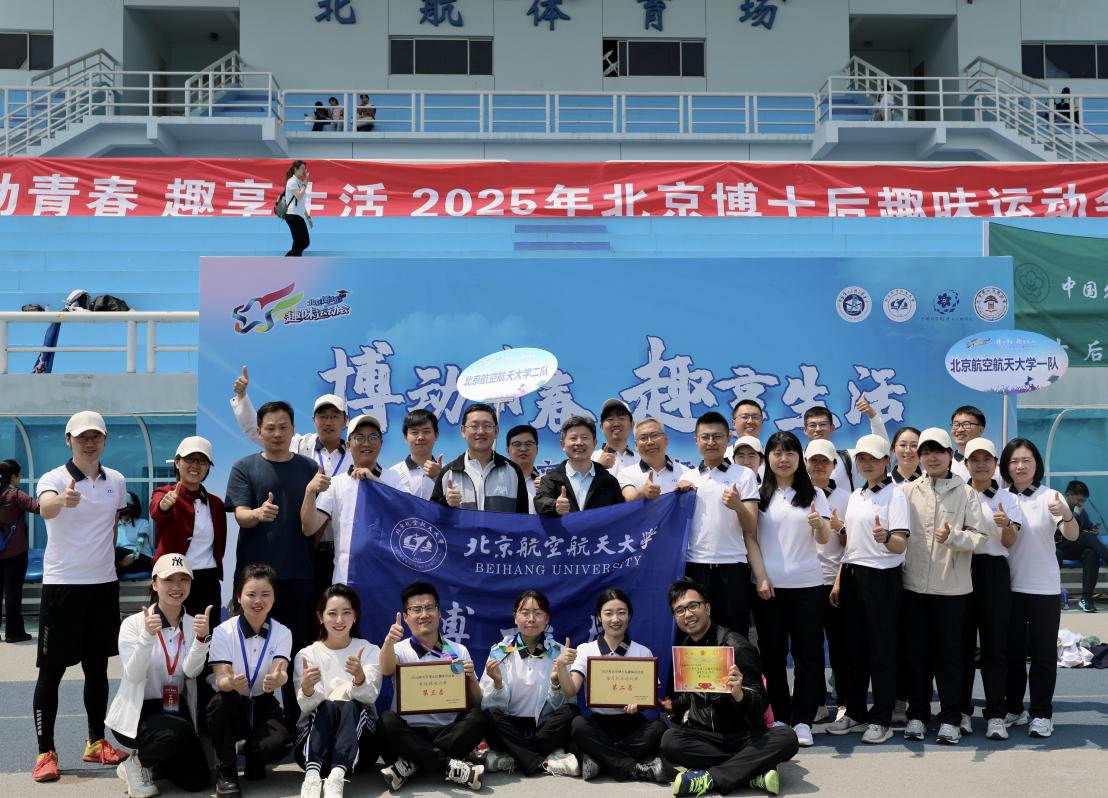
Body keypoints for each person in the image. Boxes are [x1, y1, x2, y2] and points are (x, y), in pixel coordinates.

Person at [32, 410, 131, 782]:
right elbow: (44, 507)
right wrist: (62, 500)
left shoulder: (116, 480)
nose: (89, 443)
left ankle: (95, 742)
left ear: (104, 440)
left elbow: (112, 524)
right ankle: (45, 752)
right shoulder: (54, 478)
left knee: (98, 668)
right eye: (82, 437)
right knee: (51, 672)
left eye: (95, 437)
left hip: (103, 585)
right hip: (62, 585)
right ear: (68, 440)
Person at [225, 400, 319, 725]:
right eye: (270, 428)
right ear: (259, 431)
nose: (277, 434)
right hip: (255, 583)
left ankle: (297, 724)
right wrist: (257, 513)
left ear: (293, 430)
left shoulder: (309, 468)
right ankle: (250, 727)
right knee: (247, 652)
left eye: (283, 427)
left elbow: (316, 521)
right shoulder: (245, 467)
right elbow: (240, 515)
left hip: (299, 575)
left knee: (297, 652)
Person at [662, 578, 798, 797]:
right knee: (670, 741)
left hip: (743, 736)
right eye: (680, 610)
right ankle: (751, 772)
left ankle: (710, 778)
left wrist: (739, 694)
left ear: (707, 608)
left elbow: (760, 702)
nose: (687, 614)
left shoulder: (736, 646)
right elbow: (694, 693)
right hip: (705, 736)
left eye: (693, 606)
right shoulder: (686, 648)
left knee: (787, 737)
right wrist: (673, 705)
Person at [898, 428, 986, 745]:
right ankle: (918, 715)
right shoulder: (908, 491)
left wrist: (953, 537)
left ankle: (950, 718)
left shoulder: (966, 493)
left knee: (950, 658)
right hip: (913, 588)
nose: (931, 457)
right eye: (925, 452)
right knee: (916, 657)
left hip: (952, 591)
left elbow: (980, 537)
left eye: (938, 451)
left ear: (950, 455)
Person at [232, 377, 351, 597]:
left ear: (345, 420)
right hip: (306, 548)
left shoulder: (355, 455)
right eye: (323, 416)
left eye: (335, 416)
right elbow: (255, 429)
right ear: (313, 420)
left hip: (341, 547)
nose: (328, 422)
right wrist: (242, 398)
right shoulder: (299, 444)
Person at [827, 434, 910, 744]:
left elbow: (900, 543)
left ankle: (881, 718)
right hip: (852, 575)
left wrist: (886, 537)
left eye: (873, 458)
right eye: (862, 458)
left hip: (882, 578)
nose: (866, 463)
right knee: (855, 651)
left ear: (886, 461)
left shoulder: (895, 494)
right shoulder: (856, 495)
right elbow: (852, 543)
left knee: (882, 652)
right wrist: (840, 579)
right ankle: (856, 711)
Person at [107, 554, 212, 797]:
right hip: (138, 711)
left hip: (172, 705)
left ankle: (156, 760)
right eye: (168, 580)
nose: (177, 587)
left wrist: (201, 641)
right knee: (178, 733)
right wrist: (147, 637)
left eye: (183, 579)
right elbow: (134, 675)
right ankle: (136, 764)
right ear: (155, 584)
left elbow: (190, 671)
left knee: (197, 780)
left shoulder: (193, 623)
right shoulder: (134, 624)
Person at [752, 432, 831, 748]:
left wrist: (819, 524)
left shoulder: (815, 494)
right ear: (767, 458)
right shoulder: (759, 495)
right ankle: (780, 717)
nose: (783, 459)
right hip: (768, 589)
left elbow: (824, 539)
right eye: (777, 453)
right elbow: (750, 538)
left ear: (800, 458)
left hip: (808, 586)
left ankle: (803, 720)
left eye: (790, 453)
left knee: (808, 656)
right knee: (772, 656)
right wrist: (760, 576)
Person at [1000, 439, 1079, 738]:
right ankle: (1014, 708)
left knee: (1043, 655)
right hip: (1008, 587)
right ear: (1005, 466)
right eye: (1014, 461)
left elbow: (1071, 534)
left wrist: (1066, 513)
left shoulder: (1050, 497)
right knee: (1012, 654)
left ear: (1036, 465)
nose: (1020, 466)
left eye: (1026, 460)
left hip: (1043, 587)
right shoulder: (1001, 497)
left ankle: (1042, 713)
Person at [378, 582, 487, 792]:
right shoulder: (398, 649)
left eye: (429, 608)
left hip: (448, 732)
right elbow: (385, 669)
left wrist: (471, 679)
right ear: (406, 616)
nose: (424, 614)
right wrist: (388, 642)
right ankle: (448, 765)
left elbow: (476, 702)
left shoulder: (457, 651)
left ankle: (410, 764)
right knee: (386, 722)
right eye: (416, 609)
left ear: (439, 612)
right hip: (408, 732)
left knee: (479, 718)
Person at [565, 588, 673, 783]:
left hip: (631, 723)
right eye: (608, 613)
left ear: (629, 615)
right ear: (599, 617)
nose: (615, 619)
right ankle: (635, 769)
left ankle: (600, 760)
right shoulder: (585, 650)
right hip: (598, 724)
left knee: (658, 728)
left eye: (621, 612)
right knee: (578, 725)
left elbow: (650, 696)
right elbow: (571, 690)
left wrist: (639, 704)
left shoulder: (642, 652)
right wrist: (561, 667)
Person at [207, 564, 293, 796]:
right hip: (232, 700)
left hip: (262, 700)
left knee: (279, 743)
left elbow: (280, 670)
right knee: (219, 704)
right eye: (251, 594)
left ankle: (254, 752)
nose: (258, 601)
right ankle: (226, 770)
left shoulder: (282, 632)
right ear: (239, 596)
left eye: (265, 594)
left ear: (274, 597)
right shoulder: (223, 631)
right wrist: (230, 683)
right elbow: (221, 678)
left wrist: (278, 679)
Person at [675, 411, 762, 637]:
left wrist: (738, 506)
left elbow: (751, 526)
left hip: (733, 567)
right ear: (696, 440)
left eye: (717, 436)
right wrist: (677, 496)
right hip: (695, 566)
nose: (711, 442)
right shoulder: (687, 478)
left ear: (729, 438)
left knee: (734, 635)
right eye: (705, 437)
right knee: (695, 633)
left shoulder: (744, 475)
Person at [293, 584, 383, 798]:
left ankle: (336, 777)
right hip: (313, 750)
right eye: (332, 613)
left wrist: (360, 678)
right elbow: (306, 706)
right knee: (327, 706)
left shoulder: (369, 650)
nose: (339, 620)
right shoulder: (307, 655)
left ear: (355, 616)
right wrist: (307, 689)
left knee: (352, 705)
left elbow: (370, 696)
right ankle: (312, 776)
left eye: (346, 613)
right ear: (320, 616)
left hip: (359, 752)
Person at [959, 437, 1022, 741]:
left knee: (995, 647)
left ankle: (996, 713)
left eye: (987, 459)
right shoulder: (958, 494)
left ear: (996, 464)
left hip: (994, 571)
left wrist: (1005, 524)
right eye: (975, 459)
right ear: (966, 464)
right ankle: (961, 711)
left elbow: (1010, 542)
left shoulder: (1007, 498)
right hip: (961, 569)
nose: (981, 465)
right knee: (960, 647)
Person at [478, 590, 580, 777]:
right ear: (515, 618)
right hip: (509, 728)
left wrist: (555, 684)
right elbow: (486, 703)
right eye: (525, 613)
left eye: (538, 613)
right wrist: (498, 684)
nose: (531, 619)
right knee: (489, 715)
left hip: (544, 730)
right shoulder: (499, 652)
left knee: (571, 712)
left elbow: (567, 701)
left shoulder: (559, 653)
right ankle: (543, 762)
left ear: (547, 619)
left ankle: (514, 757)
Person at [301, 414, 403, 585]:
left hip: (386, 578)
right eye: (359, 437)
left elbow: (406, 514)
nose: (366, 443)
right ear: (348, 445)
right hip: (347, 578)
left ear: (381, 443)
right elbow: (309, 528)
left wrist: (376, 482)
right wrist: (309, 491)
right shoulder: (336, 483)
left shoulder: (395, 478)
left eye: (373, 437)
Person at [150, 436, 226, 617]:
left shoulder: (216, 503)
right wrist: (165, 505)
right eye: (190, 459)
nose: (196, 465)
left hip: (207, 579)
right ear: (177, 462)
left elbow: (220, 542)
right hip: (173, 576)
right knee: (169, 629)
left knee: (208, 630)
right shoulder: (164, 493)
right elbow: (157, 511)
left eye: (202, 461)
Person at [804, 439, 849, 720]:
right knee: (809, 648)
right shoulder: (797, 493)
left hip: (835, 581)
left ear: (834, 466)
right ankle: (817, 702)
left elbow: (853, 544)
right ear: (805, 463)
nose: (819, 466)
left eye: (825, 461)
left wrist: (839, 581)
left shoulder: (847, 497)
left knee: (841, 647)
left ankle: (844, 701)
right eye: (814, 460)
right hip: (805, 583)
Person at [431, 403, 528, 513]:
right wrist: (445, 502)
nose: (481, 431)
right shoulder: (448, 473)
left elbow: (523, 518)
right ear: (463, 431)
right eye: (474, 426)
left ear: (496, 432)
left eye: (487, 426)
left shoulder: (513, 471)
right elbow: (433, 516)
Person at [535, 416, 625, 515]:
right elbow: (539, 502)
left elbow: (620, 514)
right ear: (563, 444)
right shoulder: (550, 480)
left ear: (594, 443)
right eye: (573, 438)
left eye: (584, 437)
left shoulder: (609, 482)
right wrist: (554, 505)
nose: (579, 443)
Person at [800, 399, 888, 491]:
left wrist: (873, 416)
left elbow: (881, 447)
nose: (818, 429)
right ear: (805, 430)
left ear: (832, 428)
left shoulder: (848, 458)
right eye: (812, 425)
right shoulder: (797, 459)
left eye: (823, 424)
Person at [0, 459, 39, 643]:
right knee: (13, 593)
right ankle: (14, 633)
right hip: (14, 552)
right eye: (20, 475)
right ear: (13, 477)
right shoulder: (14, 494)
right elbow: (38, 507)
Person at [1057, 480, 1108, 613]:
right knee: (1087, 538)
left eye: (1083, 501)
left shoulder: (1080, 511)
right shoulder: (1058, 508)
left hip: (1073, 547)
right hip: (1059, 545)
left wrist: (1093, 530)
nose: (1080, 504)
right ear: (1069, 494)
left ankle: (1086, 598)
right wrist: (1075, 515)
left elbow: (1087, 528)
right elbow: (1061, 531)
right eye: (1079, 500)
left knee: (1091, 551)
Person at [619, 417, 694, 501]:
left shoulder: (685, 473)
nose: (650, 442)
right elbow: (626, 499)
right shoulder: (626, 474)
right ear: (636, 445)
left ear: (666, 439)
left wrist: (689, 489)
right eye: (643, 438)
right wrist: (642, 492)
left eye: (654, 435)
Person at [386, 409, 443, 501]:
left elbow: (458, 503)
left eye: (426, 431)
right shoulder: (393, 473)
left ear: (436, 435)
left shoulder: (448, 472)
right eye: (414, 432)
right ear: (405, 437)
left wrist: (438, 477)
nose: (420, 437)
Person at [592, 399, 639, 481]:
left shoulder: (641, 459)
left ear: (632, 424)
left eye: (621, 418)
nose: (616, 423)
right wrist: (598, 467)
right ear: (601, 427)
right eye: (610, 419)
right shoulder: (591, 458)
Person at [948, 405, 996, 483]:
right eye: (956, 425)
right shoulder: (942, 465)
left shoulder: (995, 469)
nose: (960, 429)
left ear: (981, 430)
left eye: (966, 424)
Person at [505, 424, 542, 513]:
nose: (523, 449)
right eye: (517, 444)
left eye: (528, 444)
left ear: (537, 450)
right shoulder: (496, 480)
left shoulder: (546, 484)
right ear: (507, 451)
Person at [116, 492, 155, 576]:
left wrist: (134, 555)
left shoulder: (142, 523)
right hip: (121, 560)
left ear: (133, 508)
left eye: (127, 506)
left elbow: (140, 541)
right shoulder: (115, 526)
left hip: (141, 558)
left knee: (117, 552)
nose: (124, 509)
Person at [282, 160, 313, 257]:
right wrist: (304, 184)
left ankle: (289, 259)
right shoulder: (292, 181)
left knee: (305, 242)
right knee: (299, 241)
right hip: (292, 215)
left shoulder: (298, 182)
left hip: (298, 215)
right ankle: (293, 260)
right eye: (303, 168)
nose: (305, 170)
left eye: (305, 169)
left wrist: (308, 217)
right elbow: (299, 196)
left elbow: (301, 203)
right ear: (296, 169)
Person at [725, 400, 765, 471]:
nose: (750, 421)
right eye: (745, 417)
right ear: (734, 423)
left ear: (762, 422)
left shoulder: (770, 456)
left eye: (755, 417)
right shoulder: (723, 456)